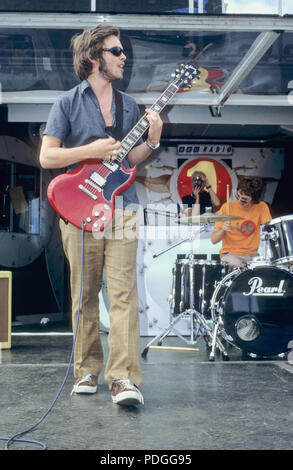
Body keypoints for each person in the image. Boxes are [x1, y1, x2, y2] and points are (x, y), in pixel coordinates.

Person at [39, 25, 163, 406]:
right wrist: (89, 149)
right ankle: (87, 370)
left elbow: (130, 162)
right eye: (116, 51)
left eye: (122, 50)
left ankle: (123, 378)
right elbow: (47, 157)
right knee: (84, 295)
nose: (124, 56)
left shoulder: (129, 105)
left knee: (124, 295)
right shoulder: (67, 103)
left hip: (122, 211)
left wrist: (153, 139)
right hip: (79, 212)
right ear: (94, 57)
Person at [211, 176, 272, 269]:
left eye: (244, 199)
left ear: (254, 199)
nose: (240, 201)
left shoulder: (262, 207)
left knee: (264, 271)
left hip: (252, 255)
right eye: (238, 196)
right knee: (240, 269)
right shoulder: (226, 207)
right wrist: (223, 229)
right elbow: (214, 240)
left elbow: (271, 229)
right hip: (230, 254)